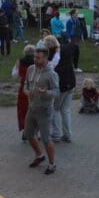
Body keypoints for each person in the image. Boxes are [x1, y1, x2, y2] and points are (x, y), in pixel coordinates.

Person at [24, 47, 60, 175]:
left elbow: (56, 92)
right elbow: (26, 85)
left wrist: (46, 93)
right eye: (34, 57)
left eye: (38, 58)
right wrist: (26, 91)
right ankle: (39, 155)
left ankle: (52, 164)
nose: (35, 59)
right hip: (32, 108)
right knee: (28, 134)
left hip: (44, 110)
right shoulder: (30, 69)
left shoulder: (51, 74)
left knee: (45, 139)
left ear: (45, 58)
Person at [51, 41, 77, 142]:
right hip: (71, 83)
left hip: (62, 86)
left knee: (55, 109)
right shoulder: (68, 51)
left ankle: (56, 134)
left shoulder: (55, 58)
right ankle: (67, 134)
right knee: (65, 110)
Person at [13, 45, 36, 138]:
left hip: (23, 88)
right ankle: (35, 132)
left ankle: (25, 130)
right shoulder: (37, 61)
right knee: (35, 110)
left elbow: (14, 75)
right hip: (35, 87)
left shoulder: (20, 61)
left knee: (23, 110)